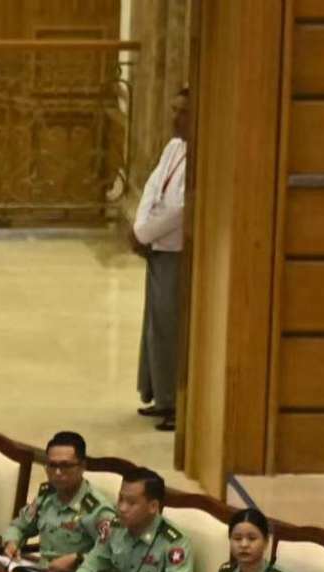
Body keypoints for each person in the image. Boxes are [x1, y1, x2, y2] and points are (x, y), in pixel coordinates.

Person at [130, 92, 190, 423]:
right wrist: (140, 230)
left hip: (174, 249)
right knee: (155, 325)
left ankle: (175, 403)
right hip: (155, 244)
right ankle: (160, 396)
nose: (176, 118)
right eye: (175, 111)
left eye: (183, 113)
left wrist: (145, 234)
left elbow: (180, 209)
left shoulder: (202, 156)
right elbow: (153, 189)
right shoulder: (173, 147)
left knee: (170, 326)